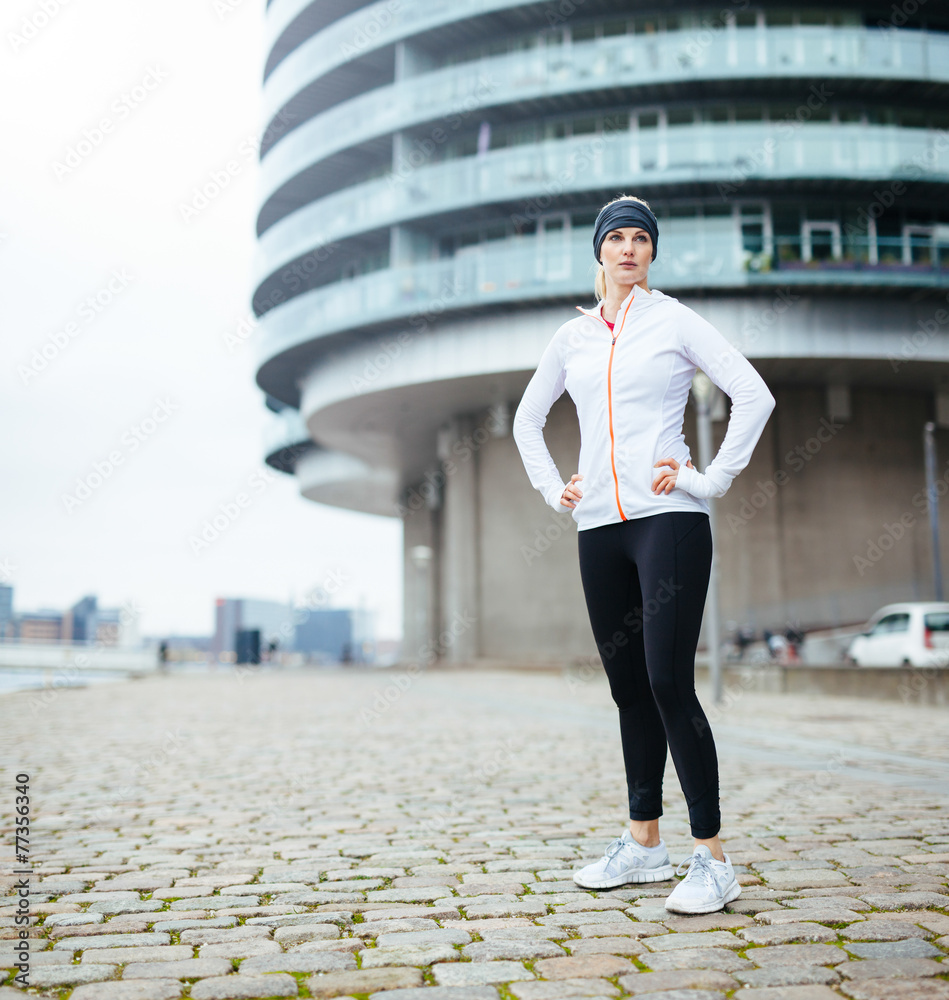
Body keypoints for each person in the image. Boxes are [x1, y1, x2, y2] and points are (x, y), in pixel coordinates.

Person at [512, 194, 775, 914]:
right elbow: (525, 420)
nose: (628, 249)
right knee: (628, 688)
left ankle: (712, 859)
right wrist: (553, 489)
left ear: (651, 251)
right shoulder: (571, 339)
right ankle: (644, 846)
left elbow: (753, 395)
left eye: (639, 239)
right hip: (598, 526)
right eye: (616, 238)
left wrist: (710, 478)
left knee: (667, 682)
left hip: (669, 519)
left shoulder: (674, 321)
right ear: (597, 251)